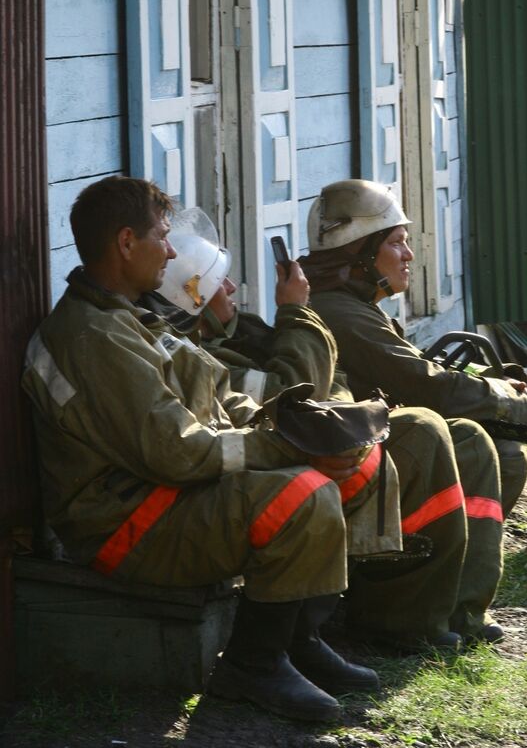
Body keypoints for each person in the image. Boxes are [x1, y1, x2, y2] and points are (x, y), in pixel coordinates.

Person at [21, 177, 385, 725]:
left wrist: (305, 428)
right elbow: (177, 454)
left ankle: (297, 639)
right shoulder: (92, 337)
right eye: (162, 238)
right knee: (302, 495)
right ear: (125, 242)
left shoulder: (130, 318)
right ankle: (252, 665)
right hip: (125, 522)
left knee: (359, 462)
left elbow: (217, 390)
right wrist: (285, 446)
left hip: (169, 496)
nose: (170, 252)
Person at [143, 209, 506, 649]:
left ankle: (459, 613)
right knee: (426, 432)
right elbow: (293, 391)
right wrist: (296, 312)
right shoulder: (202, 356)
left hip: (327, 435)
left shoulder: (236, 333)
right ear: (191, 296)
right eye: (220, 281)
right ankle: (397, 620)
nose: (234, 287)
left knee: (469, 439)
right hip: (294, 454)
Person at [301, 178, 527, 520]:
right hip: (361, 460)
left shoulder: (349, 304)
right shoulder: (342, 313)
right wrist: (506, 400)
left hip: (370, 443)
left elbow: (416, 362)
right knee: (502, 450)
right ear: (361, 252)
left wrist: (488, 378)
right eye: (397, 243)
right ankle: (457, 562)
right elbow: (424, 383)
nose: (409, 255)